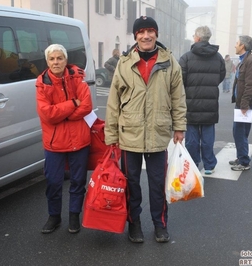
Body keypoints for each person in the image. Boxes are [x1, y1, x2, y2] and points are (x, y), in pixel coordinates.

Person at [104, 16, 186, 243]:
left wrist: (179, 126)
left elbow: (178, 98)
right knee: (131, 186)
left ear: (156, 35)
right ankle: (134, 224)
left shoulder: (170, 62)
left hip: (158, 134)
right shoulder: (124, 63)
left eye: (150, 31)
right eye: (141, 32)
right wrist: (110, 135)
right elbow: (113, 102)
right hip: (129, 133)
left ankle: (160, 224)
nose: (146, 35)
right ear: (136, 36)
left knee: (158, 184)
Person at [36, 44, 92, 234]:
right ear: (47, 62)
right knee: (53, 182)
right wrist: (71, 104)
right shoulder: (42, 83)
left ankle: (74, 216)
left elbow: (86, 106)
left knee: (78, 181)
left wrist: (63, 114)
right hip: (54, 143)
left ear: (66, 60)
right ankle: (54, 216)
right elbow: (47, 114)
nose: (56, 62)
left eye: (59, 58)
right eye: (52, 59)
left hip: (79, 140)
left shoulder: (78, 78)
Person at [179, 26, 225, 175]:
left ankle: (193, 164)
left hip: (191, 102)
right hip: (210, 102)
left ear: (197, 38)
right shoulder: (218, 57)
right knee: (208, 137)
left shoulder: (186, 57)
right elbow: (221, 76)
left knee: (192, 139)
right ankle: (209, 164)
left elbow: (180, 79)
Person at [229, 35, 252, 171]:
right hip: (243, 102)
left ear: (243, 46)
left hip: (245, 103)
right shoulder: (244, 60)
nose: (235, 45)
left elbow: (251, 85)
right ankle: (241, 156)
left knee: (239, 131)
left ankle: (244, 162)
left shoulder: (250, 61)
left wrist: (244, 104)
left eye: (237, 43)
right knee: (240, 131)